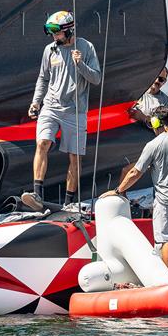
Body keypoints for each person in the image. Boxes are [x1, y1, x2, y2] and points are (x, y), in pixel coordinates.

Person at [104, 106, 168, 282]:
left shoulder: (154, 144)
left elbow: (135, 172)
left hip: (165, 199)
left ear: (155, 122)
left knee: (166, 240)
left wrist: (117, 191)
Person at [21, 11, 102, 210]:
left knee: (74, 157)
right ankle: (37, 194)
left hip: (75, 110)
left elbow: (97, 79)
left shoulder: (86, 47)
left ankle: (68, 203)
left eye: (56, 33)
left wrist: (80, 64)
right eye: (51, 33)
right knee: (43, 143)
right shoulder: (50, 50)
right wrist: (35, 102)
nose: (53, 37)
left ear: (68, 30)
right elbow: (43, 78)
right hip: (50, 106)